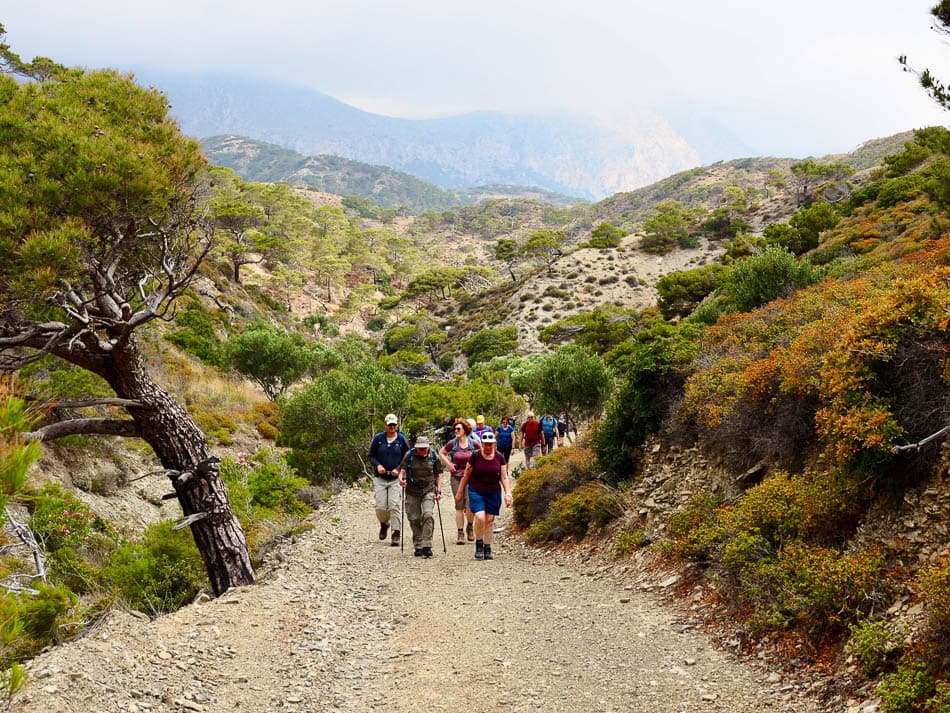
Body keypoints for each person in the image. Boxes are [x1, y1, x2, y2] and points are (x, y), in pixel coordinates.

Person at [455, 431, 511, 560]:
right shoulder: (475, 456)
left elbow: (504, 477)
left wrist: (508, 493)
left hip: (493, 491)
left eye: (490, 444)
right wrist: (459, 492)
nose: (488, 447)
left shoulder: (499, 457)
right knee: (480, 518)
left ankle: (487, 547)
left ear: (494, 444)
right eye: (486, 444)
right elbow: (466, 475)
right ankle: (479, 544)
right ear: (482, 444)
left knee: (490, 520)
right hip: (476, 490)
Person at [368, 413, 409, 546]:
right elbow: (371, 455)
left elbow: (407, 457)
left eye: (394, 424)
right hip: (380, 478)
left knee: (394, 505)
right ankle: (384, 524)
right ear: (385, 425)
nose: (392, 427)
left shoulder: (402, 440)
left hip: (395, 478)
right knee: (380, 506)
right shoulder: (378, 439)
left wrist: (399, 469)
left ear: (397, 425)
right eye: (389, 424)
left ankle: (396, 533)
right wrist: (378, 465)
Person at [398, 436, 443, 558]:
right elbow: (402, 470)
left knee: (428, 514)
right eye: (420, 448)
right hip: (412, 490)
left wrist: (438, 491)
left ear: (428, 447)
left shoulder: (433, 456)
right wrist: (401, 479)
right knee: (414, 518)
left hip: (428, 489)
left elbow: (439, 474)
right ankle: (418, 545)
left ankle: (427, 545)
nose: (422, 450)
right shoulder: (410, 455)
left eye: (424, 448)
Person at [439, 418, 479, 544]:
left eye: (458, 429)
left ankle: (470, 526)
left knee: (470, 505)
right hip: (456, 476)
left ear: (465, 430)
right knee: (459, 505)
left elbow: (481, 454)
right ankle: (460, 532)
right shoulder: (453, 443)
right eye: (455, 429)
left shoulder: (473, 444)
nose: (456, 431)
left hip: (471, 477)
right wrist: (449, 464)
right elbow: (441, 452)